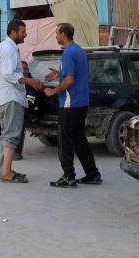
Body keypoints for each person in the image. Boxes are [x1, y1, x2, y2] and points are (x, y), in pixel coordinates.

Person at [44, 23, 102, 187]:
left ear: (63, 34)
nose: (55, 36)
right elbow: (71, 73)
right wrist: (57, 74)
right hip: (81, 102)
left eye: (56, 33)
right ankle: (92, 174)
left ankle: (68, 175)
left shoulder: (68, 52)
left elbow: (70, 79)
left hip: (70, 104)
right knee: (79, 140)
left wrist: (53, 91)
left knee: (64, 141)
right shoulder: (78, 50)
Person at [0, 19, 42, 183]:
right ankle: (6, 172)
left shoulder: (6, 47)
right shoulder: (8, 49)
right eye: (22, 32)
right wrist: (30, 81)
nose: (25, 34)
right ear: (13, 32)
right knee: (12, 136)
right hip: (10, 98)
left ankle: (4, 170)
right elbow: (8, 74)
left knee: (6, 136)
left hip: (5, 97)